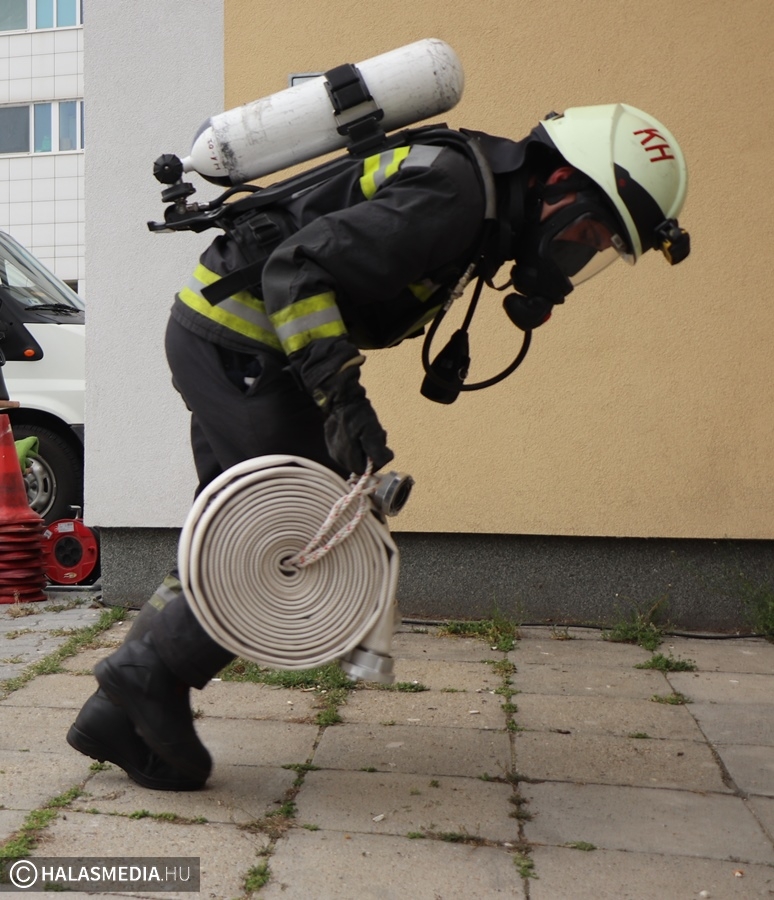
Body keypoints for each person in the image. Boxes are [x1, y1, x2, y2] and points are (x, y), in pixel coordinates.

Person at [67, 103, 690, 790]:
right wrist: (343, 400)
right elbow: (296, 269)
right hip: (245, 342)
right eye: (589, 231)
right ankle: (143, 680)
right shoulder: (456, 194)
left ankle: (116, 712)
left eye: (598, 246)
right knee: (300, 538)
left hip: (232, 337)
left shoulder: (477, 201)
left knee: (239, 537)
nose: (580, 252)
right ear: (562, 182)